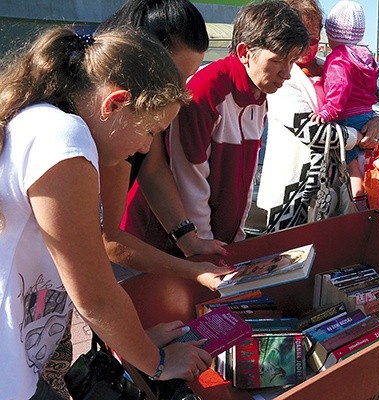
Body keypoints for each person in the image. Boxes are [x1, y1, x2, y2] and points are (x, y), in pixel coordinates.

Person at [0, 27, 213, 399]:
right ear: (114, 103)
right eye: (148, 130)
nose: (146, 146)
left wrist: (137, 342)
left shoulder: (41, 124)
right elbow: (94, 294)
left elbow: (77, 270)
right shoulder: (64, 137)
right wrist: (157, 362)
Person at [124, 0, 309, 244]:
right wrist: (203, 246)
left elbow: (244, 185)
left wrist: (236, 240)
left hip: (208, 243)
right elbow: (189, 180)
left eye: (292, 62)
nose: (286, 73)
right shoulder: (204, 91)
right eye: (277, 60)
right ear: (245, 52)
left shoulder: (260, 95)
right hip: (165, 241)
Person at [95, 0, 230, 282]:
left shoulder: (131, 118)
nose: (183, 92)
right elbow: (109, 241)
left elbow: (152, 167)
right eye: (176, 77)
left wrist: (189, 241)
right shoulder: (110, 128)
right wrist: (192, 270)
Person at [257, 0, 379, 231]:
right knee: (289, 260)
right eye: (298, 38)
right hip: (292, 196)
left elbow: (358, 103)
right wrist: (358, 135)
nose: (306, 47)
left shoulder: (333, 65)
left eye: (313, 39)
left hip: (331, 193)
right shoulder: (283, 78)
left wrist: (375, 121)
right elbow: (313, 132)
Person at [310, 0, 379, 211]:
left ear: (331, 34)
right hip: (366, 115)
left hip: (348, 116)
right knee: (361, 162)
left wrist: (328, 110)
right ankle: (364, 198)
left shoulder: (338, 59)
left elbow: (340, 87)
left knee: (351, 166)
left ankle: (358, 203)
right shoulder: (366, 57)